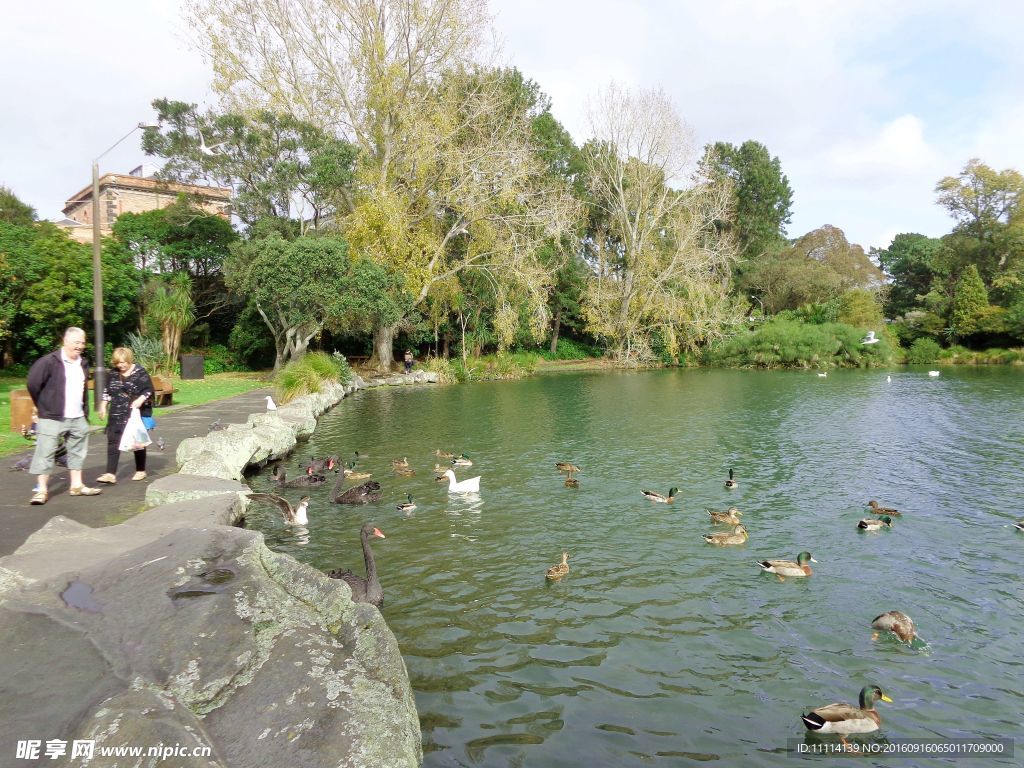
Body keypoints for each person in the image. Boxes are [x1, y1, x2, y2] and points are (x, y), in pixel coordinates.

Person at [25, 327, 101, 504]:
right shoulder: (49, 361)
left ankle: (76, 485)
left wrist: (85, 414)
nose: (80, 346)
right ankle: (41, 491)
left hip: (78, 416)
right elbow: (33, 384)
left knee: (77, 452)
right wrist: (43, 405)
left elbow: (82, 390)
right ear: (65, 341)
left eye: (83, 342)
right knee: (45, 452)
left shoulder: (83, 363)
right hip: (52, 417)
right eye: (77, 342)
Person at [96, 347, 155, 484]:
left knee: (137, 442)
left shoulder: (139, 372)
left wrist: (140, 400)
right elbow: (107, 391)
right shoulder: (113, 373)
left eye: (123, 362)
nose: (121, 366)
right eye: (118, 363)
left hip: (133, 413)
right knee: (112, 442)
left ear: (129, 360)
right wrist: (103, 406)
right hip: (116, 413)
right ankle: (110, 474)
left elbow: (148, 390)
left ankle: (141, 470)